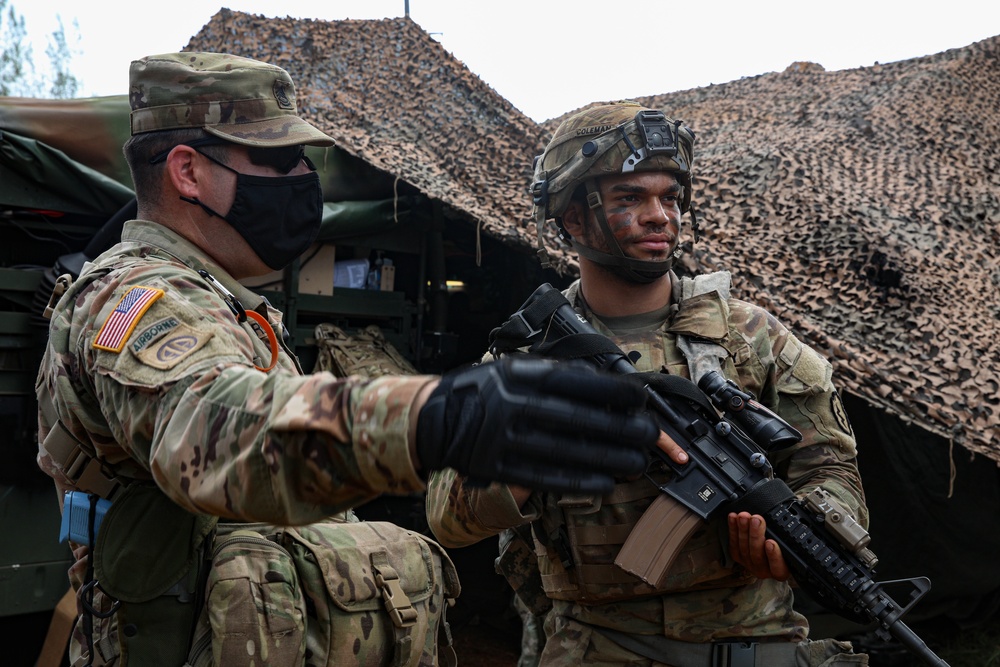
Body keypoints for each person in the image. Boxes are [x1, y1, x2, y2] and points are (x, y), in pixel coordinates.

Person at [34, 56, 662, 667]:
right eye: (279, 161)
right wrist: (432, 416)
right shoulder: (136, 300)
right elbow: (210, 430)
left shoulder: (225, 300)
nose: (304, 179)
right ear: (188, 172)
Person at [426, 101, 871, 667]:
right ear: (574, 219)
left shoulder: (753, 338)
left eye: (669, 197)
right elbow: (449, 515)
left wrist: (805, 530)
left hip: (759, 644)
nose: (660, 216)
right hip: (598, 649)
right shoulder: (522, 360)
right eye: (630, 198)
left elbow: (831, 465)